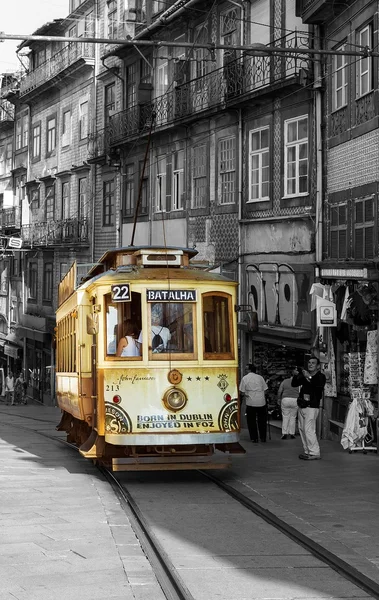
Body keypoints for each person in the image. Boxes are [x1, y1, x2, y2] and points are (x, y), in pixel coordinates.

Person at [292, 356, 326, 460]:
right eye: (309, 362)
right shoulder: (304, 375)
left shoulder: (320, 376)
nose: (310, 364)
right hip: (302, 405)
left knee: (309, 430)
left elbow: (318, 385)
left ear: (318, 366)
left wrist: (309, 377)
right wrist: (295, 375)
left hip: (312, 407)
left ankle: (315, 452)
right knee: (302, 429)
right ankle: (307, 450)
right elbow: (294, 384)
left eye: (313, 363)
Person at [239, 363, 268, 443]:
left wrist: (246, 394)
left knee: (251, 421)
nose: (245, 371)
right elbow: (265, 389)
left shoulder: (245, 378)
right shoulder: (260, 378)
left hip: (251, 402)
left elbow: (241, 391)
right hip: (261, 402)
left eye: (246, 369)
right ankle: (263, 437)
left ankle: (254, 438)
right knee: (262, 420)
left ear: (249, 370)